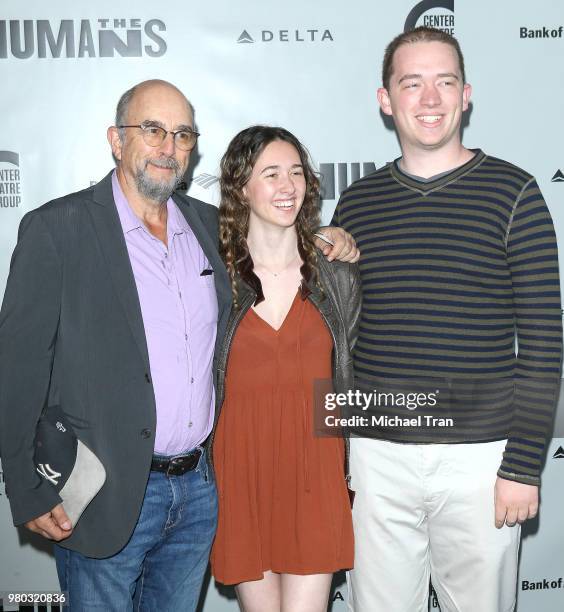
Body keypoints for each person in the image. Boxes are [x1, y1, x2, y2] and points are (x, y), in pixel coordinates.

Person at [0, 80, 357, 611]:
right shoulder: (58, 229)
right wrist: (26, 488)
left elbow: (279, 240)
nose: (169, 146)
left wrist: (328, 235)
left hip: (197, 494)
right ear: (116, 141)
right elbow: (17, 369)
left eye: (183, 134)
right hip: (106, 493)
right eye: (153, 130)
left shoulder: (209, 229)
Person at [331, 27, 562, 612]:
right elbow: (336, 337)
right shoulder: (356, 203)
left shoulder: (516, 194)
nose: (429, 99)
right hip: (376, 454)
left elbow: (543, 342)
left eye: (444, 82)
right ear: (385, 99)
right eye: (412, 83)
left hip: (482, 460)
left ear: (466, 95)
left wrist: (523, 466)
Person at [209, 125, 360, 612]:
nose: (287, 185)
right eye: (270, 173)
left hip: (315, 472)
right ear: (241, 188)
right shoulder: (213, 276)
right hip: (241, 473)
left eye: (296, 172)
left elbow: (350, 372)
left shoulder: (336, 274)